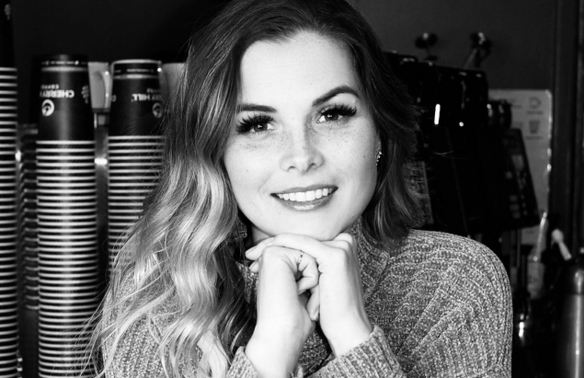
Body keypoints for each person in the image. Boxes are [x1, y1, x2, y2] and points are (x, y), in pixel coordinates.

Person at [91, 0, 512, 376]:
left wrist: (353, 335)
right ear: (216, 153)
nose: (302, 155)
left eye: (332, 114)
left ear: (380, 133)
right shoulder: (158, 294)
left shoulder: (458, 282)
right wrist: (270, 354)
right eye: (258, 124)